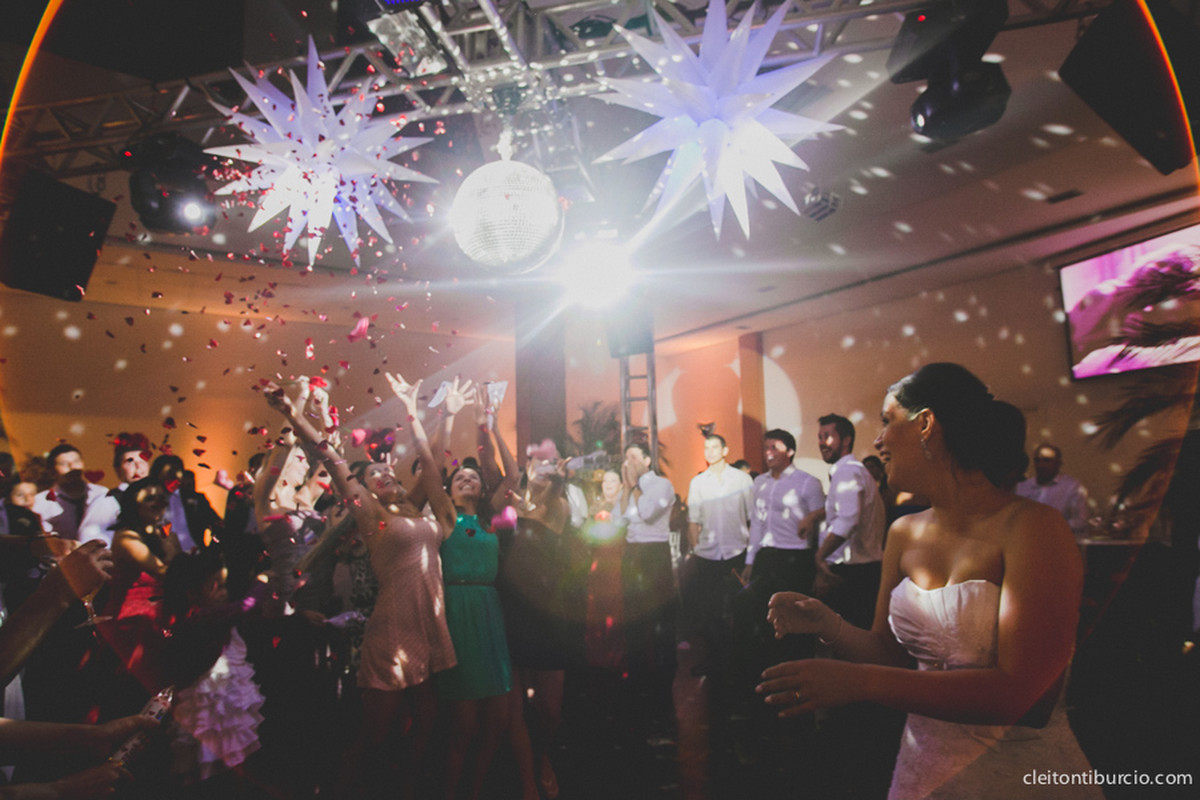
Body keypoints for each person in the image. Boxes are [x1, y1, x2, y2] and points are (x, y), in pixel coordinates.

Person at [760, 363, 1099, 800]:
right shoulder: (904, 532)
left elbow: (1028, 700)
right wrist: (830, 625)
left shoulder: (1033, 527)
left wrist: (859, 682)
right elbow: (892, 655)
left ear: (926, 424)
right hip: (924, 770)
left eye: (886, 421)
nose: (878, 441)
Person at [266, 375, 458, 800]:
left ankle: (407, 788)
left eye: (385, 469)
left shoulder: (420, 511)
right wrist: (292, 413)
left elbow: (431, 468)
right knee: (374, 736)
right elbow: (332, 459)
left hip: (429, 626)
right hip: (392, 631)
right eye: (372, 474)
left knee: (426, 729)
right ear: (364, 489)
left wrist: (414, 411)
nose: (383, 474)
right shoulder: (372, 517)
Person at [738, 429, 825, 677]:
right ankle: (771, 675)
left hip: (796, 557)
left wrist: (819, 566)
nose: (768, 453)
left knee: (796, 619)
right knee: (765, 618)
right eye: (765, 448)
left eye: (774, 447)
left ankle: (801, 675)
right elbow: (757, 523)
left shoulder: (807, 482)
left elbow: (824, 519)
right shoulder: (760, 482)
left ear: (790, 451)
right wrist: (750, 560)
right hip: (767, 556)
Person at [803, 414, 886, 631]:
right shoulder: (851, 470)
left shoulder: (847, 471)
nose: (822, 442)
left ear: (846, 440)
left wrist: (819, 556)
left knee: (849, 644)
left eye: (828, 436)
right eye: (820, 437)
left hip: (855, 573)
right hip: (861, 570)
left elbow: (848, 518)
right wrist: (815, 515)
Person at [683, 433, 754, 678]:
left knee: (739, 611)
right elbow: (693, 521)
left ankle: (740, 665)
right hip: (708, 555)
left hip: (737, 552)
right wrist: (695, 550)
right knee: (709, 612)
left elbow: (753, 518)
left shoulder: (743, 480)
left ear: (725, 450)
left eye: (715, 447)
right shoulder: (698, 483)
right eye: (706, 447)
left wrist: (752, 556)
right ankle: (715, 661)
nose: (710, 451)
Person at [618, 442, 678, 685]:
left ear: (647, 461)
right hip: (631, 551)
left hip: (654, 552)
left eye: (633, 458)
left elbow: (648, 513)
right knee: (632, 613)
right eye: (626, 459)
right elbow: (619, 516)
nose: (628, 463)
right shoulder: (631, 487)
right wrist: (626, 488)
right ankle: (636, 670)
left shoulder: (662, 485)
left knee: (659, 615)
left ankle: (665, 671)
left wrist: (633, 487)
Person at [32, 444, 119, 546]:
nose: (72, 467)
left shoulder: (102, 494)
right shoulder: (41, 502)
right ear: (52, 471)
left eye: (76, 462)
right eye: (64, 464)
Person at [1015, 443, 1090, 535]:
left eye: (1047, 460)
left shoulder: (1072, 487)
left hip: (1058, 540)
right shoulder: (1022, 487)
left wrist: (1052, 526)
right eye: (1037, 460)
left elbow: (1081, 520)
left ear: (1058, 463)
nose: (1040, 465)